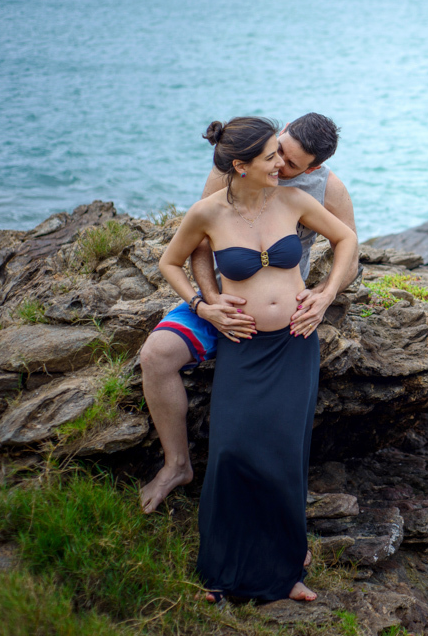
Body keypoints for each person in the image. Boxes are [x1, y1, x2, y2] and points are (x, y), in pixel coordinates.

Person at [158, 116, 358, 603]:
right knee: (231, 452)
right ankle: (222, 574)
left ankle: (286, 572)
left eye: (286, 158)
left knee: (284, 456)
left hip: (295, 340)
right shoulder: (209, 210)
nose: (282, 166)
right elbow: (171, 260)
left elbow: (347, 240)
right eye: (273, 157)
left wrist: (325, 293)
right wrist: (204, 305)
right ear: (240, 165)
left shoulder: (298, 197)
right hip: (242, 344)